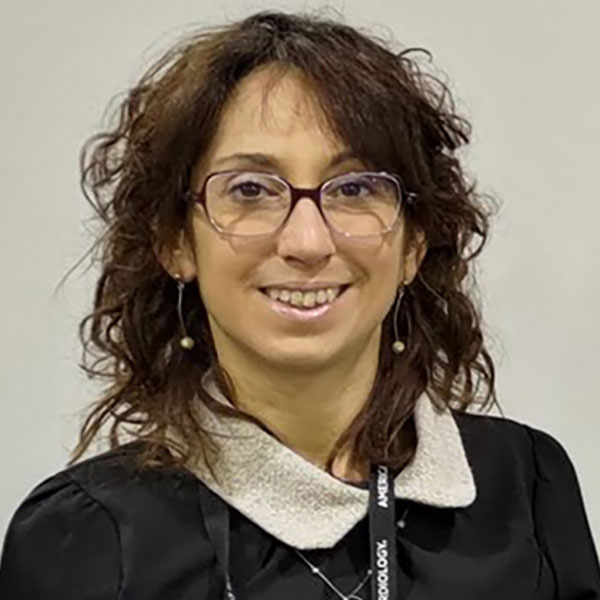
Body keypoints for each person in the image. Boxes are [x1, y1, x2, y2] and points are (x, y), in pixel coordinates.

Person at [0, 9, 598, 599]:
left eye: (355, 188)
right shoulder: (85, 540)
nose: (308, 242)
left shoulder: (527, 487)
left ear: (414, 243)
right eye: (250, 190)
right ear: (176, 241)